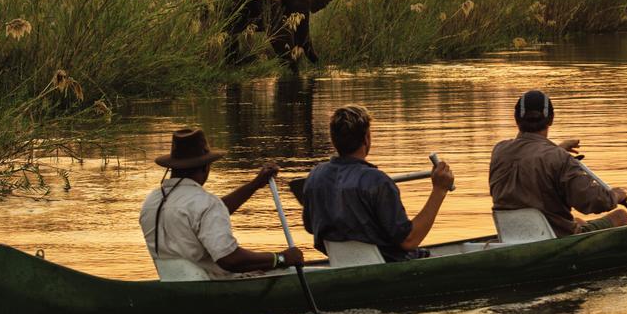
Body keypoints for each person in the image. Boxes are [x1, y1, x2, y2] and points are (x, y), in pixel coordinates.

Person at [140, 128, 304, 278]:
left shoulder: (151, 201)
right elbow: (230, 260)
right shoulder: (206, 204)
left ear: (172, 168)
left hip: (173, 282)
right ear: (205, 167)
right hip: (211, 283)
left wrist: (255, 185)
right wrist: (281, 258)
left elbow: (206, 215)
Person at [301, 105, 455, 262]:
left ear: (334, 140)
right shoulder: (377, 181)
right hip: (388, 264)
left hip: (341, 262)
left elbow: (310, 227)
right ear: (367, 138)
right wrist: (439, 190)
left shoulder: (315, 176)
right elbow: (409, 241)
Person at [488, 90, 627, 236]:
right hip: (555, 238)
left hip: (513, 236)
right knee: (621, 216)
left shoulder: (499, 151)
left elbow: (532, 160)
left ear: (516, 118)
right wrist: (615, 196)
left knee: (577, 221)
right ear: (551, 119)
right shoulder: (558, 158)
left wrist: (556, 150)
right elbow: (591, 201)